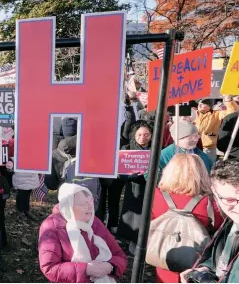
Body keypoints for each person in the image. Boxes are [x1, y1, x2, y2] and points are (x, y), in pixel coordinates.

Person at [150, 153, 223, 283]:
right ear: (201, 172)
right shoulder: (210, 201)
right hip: (196, 261)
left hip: (163, 253)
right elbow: (219, 227)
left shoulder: (156, 195)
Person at [38, 183, 128, 283]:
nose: (89, 207)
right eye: (83, 204)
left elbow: (120, 256)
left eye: (90, 202)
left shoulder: (95, 222)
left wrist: (111, 266)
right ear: (69, 206)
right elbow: (50, 268)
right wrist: (87, 269)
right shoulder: (51, 226)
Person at [182, 159, 239, 283]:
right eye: (230, 200)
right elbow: (221, 258)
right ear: (214, 192)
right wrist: (204, 270)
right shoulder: (230, 223)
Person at [115, 121, 153, 254]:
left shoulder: (156, 148)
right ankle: (133, 244)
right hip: (135, 190)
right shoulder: (127, 149)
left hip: (152, 190)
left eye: (147, 134)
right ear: (134, 135)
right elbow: (121, 174)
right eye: (140, 135)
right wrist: (132, 175)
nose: (143, 137)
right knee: (134, 218)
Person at [194, 96, 239, 162]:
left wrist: (228, 100)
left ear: (210, 106)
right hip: (192, 147)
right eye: (199, 104)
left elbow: (233, 111)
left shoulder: (217, 114)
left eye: (203, 104)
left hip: (208, 149)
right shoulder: (193, 113)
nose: (200, 106)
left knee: (209, 167)